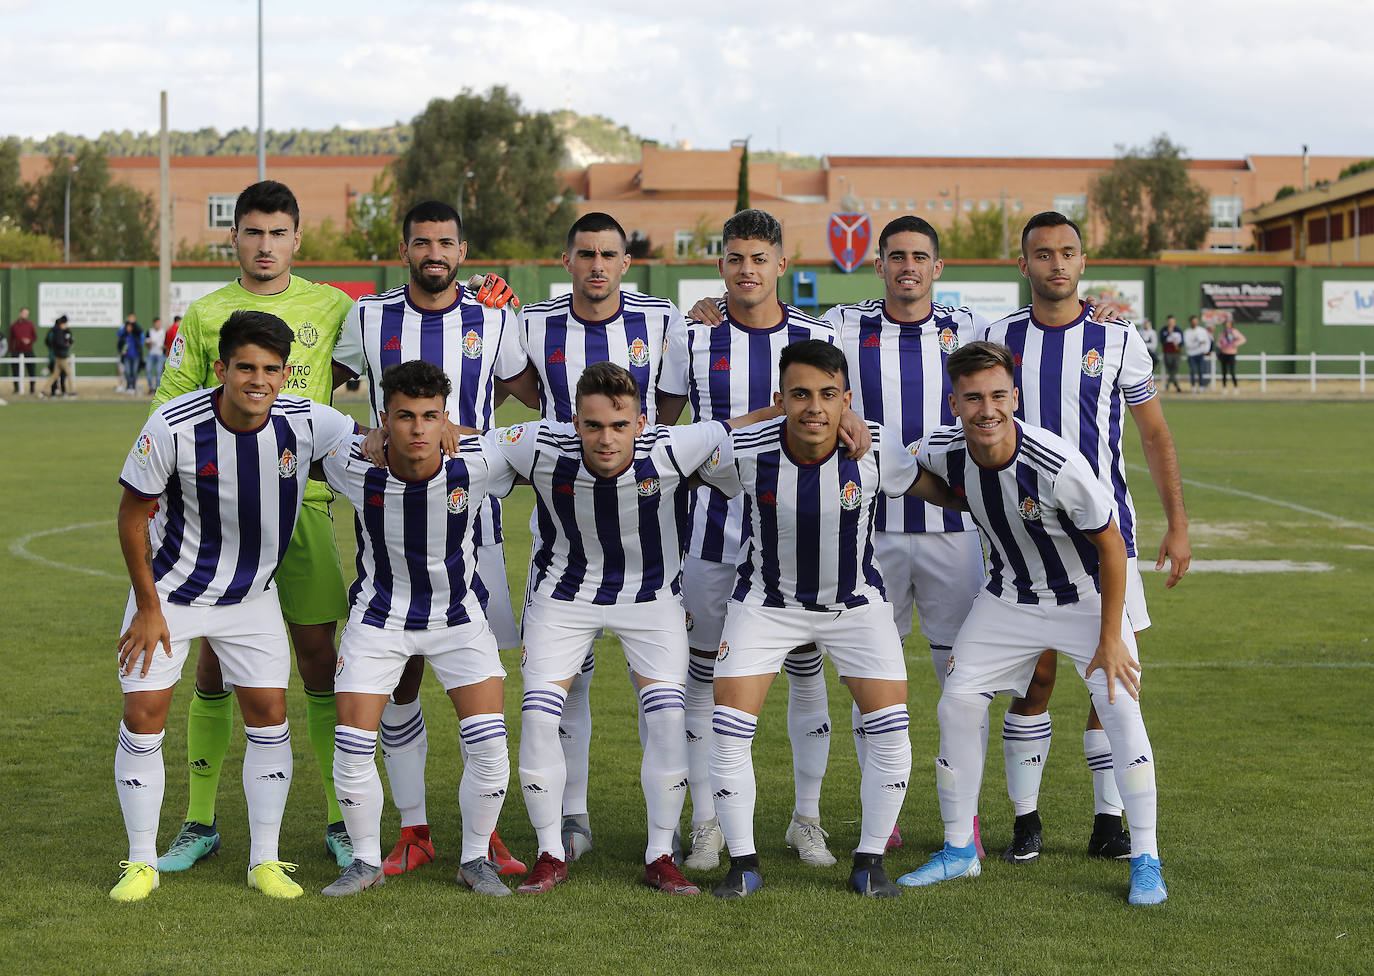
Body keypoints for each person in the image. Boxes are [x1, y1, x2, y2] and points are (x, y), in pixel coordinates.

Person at [898, 340, 1166, 906]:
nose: (986, 409)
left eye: (998, 395)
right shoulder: (942, 449)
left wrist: (1112, 636)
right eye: (973, 398)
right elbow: (905, 470)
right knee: (957, 701)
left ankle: (1146, 858)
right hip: (1009, 601)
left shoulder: (1056, 463)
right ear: (955, 403)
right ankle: (959, 850)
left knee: (1120, 707)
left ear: (1014, 397)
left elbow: (1113, 547)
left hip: (1085, 600)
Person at [108, 310, 360, 902]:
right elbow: (130, 515)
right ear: (220, 369)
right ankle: (140, 861)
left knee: (270, 714)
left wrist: (444, 426)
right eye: (245, 367)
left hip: (251, 598)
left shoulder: (308, 422)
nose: (258, 380)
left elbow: (375, 441)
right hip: (170, 595)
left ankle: (265, 860)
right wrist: (147, 606)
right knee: (144, 716)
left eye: (271, 370)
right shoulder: (171, 425)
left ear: (284, 375)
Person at [698, 339, 959, 899]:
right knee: (728, 732)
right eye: (799, 395)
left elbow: (933, 488)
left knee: (891, 729)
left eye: (828, 395)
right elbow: (678, 462)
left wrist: (1002, 503)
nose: (814, 407)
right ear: (779, 399)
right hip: (766, 606)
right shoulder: (744, 450)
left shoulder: (877, 447)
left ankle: (869, 862)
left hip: (856, 607)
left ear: (846, 399)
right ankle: (743, 864)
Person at [489, 362, 760, 896]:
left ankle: (660, 853)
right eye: (592, 426)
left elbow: (738, 427)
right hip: (563, 597)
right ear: (573, 423)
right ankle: (549, 852)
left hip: (651, 599)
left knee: (666, 718)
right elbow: (473, 443)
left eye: (618, 425)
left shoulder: (674, 446)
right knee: (540, 716)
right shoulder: (540, 445)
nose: (605, 438)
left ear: (641, 423)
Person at [977, 211, 1188, 865]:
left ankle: (1108, 821)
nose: (1057, 264)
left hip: (1104, 542)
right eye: (1043, 254)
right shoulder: (998, 337)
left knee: (1112, 680)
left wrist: (1177, 523)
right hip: (1024, 543)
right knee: (1034, 682)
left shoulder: (1118, 340)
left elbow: (1153, 433)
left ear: (1083, 262)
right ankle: (1026, 820)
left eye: (1068, 252)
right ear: (1024, 266)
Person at [331, 199, 529, 878]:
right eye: (422, 243)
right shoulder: (368, 315)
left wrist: (523, 315)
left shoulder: (494, 315)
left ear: (462, 250)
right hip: (386, 520)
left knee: (478, 673)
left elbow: (532, 395)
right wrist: (357, 437)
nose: (434, 254)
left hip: (473, 517)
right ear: (406, 248)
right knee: (401, 678)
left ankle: (487, 832)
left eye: (445, 243)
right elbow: (325, 382)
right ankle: (414, 828)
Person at [657, 208, 855, 872]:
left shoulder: (817, 333)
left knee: (806, 670)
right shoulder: (693, 336)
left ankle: (808, 819)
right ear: (721, 266)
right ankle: (706, 822)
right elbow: (669, 438)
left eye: (759, 259)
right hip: (713, 534)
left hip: (800, 534)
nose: (747, 270)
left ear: (781, 266)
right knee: (704, 675)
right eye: (736, 259)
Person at [503, 211, 687, 864]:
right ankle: (571, 817)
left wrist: (636, 447)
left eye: (609, 254)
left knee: (661, 697)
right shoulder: (533, 324)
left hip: (643, 539)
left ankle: (662, 841)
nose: (597, 265)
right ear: (567, 260)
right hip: (562, 535)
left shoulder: (664, 318)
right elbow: (521, 393)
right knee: (565, 689)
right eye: (586, 254)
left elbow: (669, 404)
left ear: (625, 260)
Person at [818, 216, 988, 855]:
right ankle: (881, 816)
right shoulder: (842, 325)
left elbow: (1045, 320)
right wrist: (716, 301)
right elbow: (768, 316)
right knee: (872, 681)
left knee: (960, 682)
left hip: (952, 529)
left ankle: (960, 817)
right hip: (870, 532)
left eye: (920, 257)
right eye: (895, 257)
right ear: (879, 264)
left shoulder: (971, 327)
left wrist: (1103, 308)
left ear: (937, 269)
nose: (907, 266)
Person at [318, 360, 515, 898]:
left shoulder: (478, 461)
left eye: (431, 416)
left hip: (459, 620)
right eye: (405, 417)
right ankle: (363, 861)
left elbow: (548, 437)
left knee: (491, 746)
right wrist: (361, 437)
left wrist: (468, 433)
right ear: (385, 418)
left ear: (445, 418)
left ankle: (475, 860)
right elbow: (300, 420)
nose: (418, 429)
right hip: (378, 620)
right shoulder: (350, 462)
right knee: (352, 744)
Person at [45, 315, 75, 398]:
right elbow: (58, 343)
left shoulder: (64, 331)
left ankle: (45, 391)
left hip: (56, 356)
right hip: (59, 356)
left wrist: (68, 343)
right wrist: (66, 345)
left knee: (55, 375)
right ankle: (69, 391)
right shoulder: (57, 331)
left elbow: (69, 340)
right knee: (67, 374)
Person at [9, 307, 37, 394]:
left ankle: (32, 388)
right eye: (24, 313)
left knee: (31, 370)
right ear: (20, 313)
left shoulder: (30, 324)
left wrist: (29, 340)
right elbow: (11, 339)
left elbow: (34, 337)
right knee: (15, 370)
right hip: (17, 351)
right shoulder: (14, 325)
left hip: (28, 350)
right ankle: (16, 388)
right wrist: (11, 350)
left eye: (27, 314)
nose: (25, 315)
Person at [1215, 322, 1246, 392]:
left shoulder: (1234, 332)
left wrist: (1235, 344)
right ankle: (1224, 388)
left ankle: (1236, 387)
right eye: (1225, 325)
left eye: (1228, 325)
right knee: (1224, 372)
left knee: (1232, 371)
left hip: (1232, 354)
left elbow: (1243, 339)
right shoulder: (1222, 333)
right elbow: (1219, 343)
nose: (1226, 326)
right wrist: (1220, 348)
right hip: (1224, 354)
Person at [1183, 315, 1209, 393]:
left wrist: (1205, 350)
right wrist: (1198, 343)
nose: (1194, 323)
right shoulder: (1187, 332)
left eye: (1196, 321)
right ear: (1190, 322)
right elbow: (1188, 345)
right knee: (1193, 371)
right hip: (1191, 355)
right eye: (1193, 321)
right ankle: (1193, 386)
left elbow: (1207, 341)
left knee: (1201, 370)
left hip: (1200, 354)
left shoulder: (1202, 331)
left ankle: (1201, 386)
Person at [118, 317, 144, 395]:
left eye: (130, 326)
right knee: (128, 372)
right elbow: (119, 345)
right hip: (127, 357)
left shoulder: (136, 334)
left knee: (134, 372)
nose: (129, 328)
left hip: (136, 356)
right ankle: (129, 387)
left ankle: (133, 387)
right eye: (127, 326)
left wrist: (134, 322)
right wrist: (121, 351)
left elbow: (140, 330)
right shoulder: (124, 336)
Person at [1160, 315, 1184, 393]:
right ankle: (1176, 386)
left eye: (1172, 322)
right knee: (1170, 369)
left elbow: (1182, 342)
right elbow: (1162, 341)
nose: (1171, 323)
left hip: (1176, 352)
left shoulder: (1178, 330)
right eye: (1169, 322)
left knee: (1174, 369)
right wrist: (1168, 333)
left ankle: (1169, 384)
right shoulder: (1164, 330)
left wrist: (1178, 344)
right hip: (1167, 352)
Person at [145, 317, 167, 393]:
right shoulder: (150, 331)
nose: (158, 325)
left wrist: (164, 346)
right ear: (154, 324)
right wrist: (149, 343)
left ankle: (157, 389)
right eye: (156, 323)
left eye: (159, 323)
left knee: (158, 372)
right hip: (151, 354)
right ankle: (151, 387)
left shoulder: (164, 332)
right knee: (148, 370)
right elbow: (146, 342)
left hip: (160, 354)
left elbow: (167, 344)